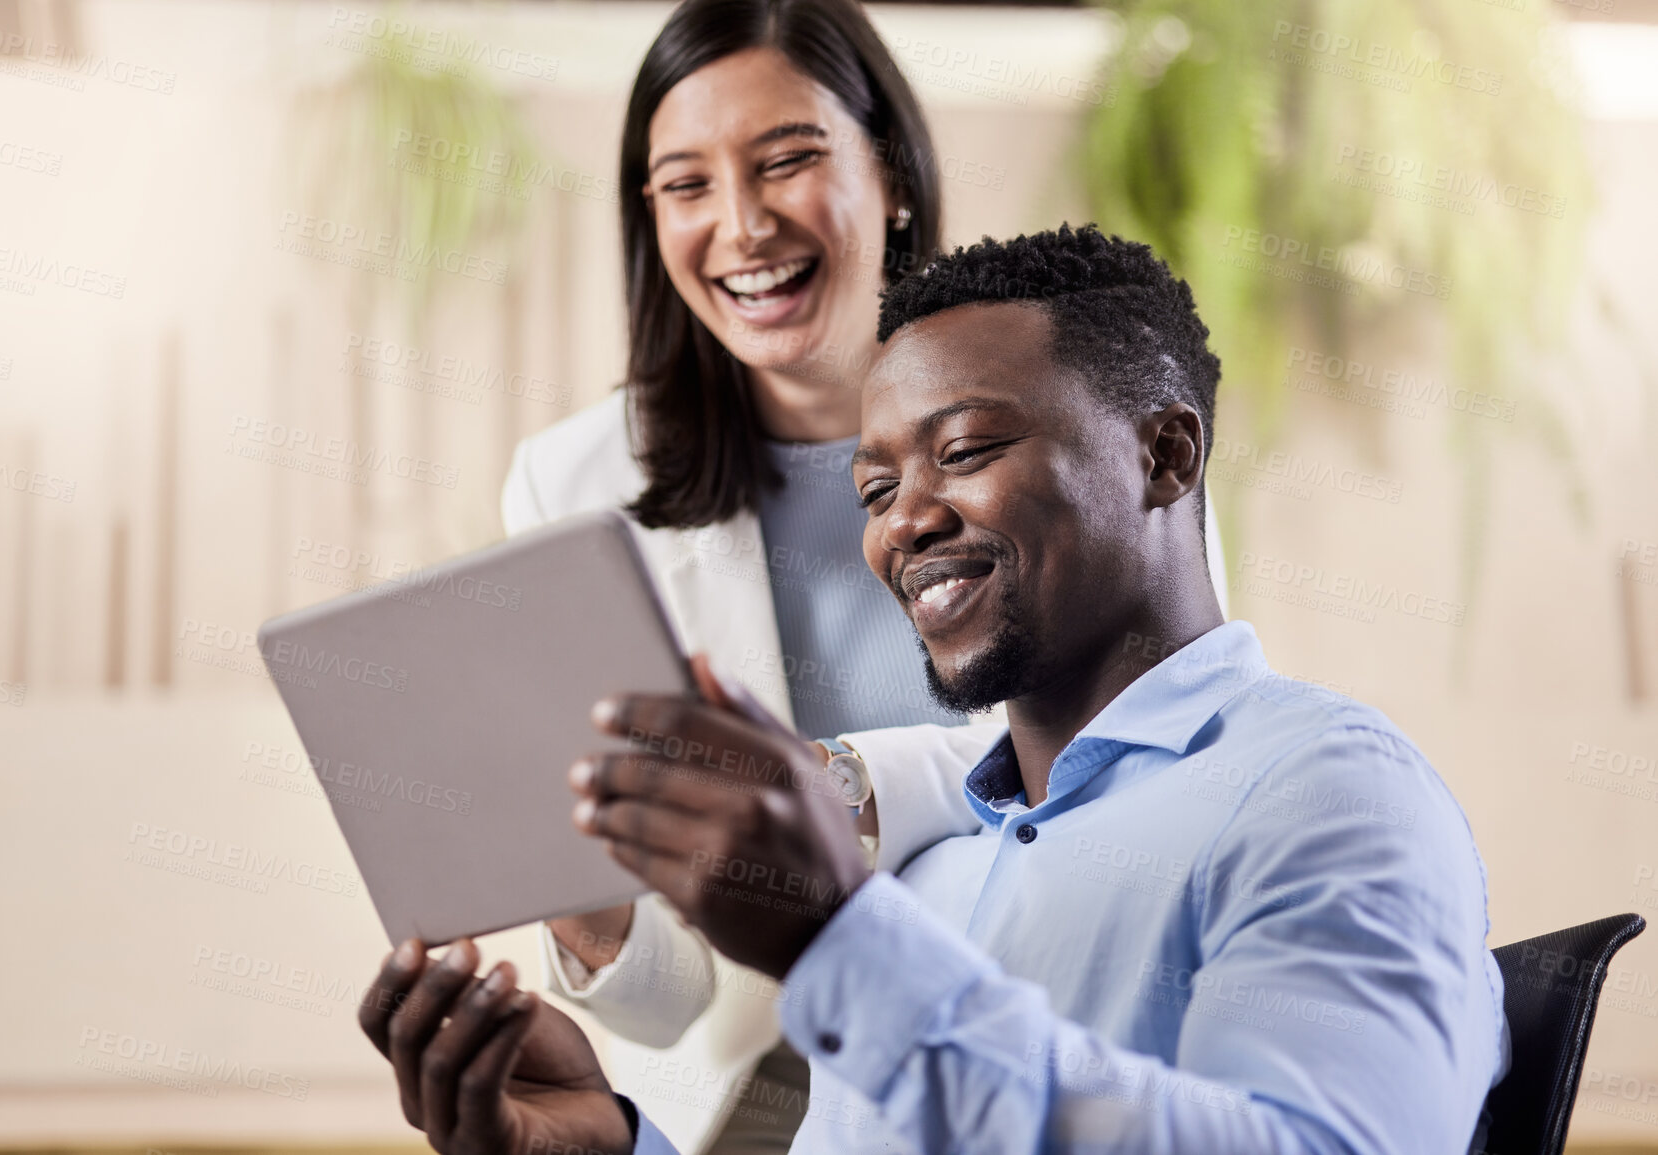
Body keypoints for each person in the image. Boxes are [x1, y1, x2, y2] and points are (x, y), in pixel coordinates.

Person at [361, 225, 1507, 1154]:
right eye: (874, 489)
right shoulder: (936, 871)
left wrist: (835, 944)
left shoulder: (1326, 795)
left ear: (1164, 455)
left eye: (962, 453)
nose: (903, 521)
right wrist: (610, 1145)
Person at [498, 0, 1226, 1148]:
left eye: (786, 162)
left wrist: (831, 786)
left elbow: (1157, 759)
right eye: (685, 185)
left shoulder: (1075, 411)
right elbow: (669, 1001)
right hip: (774, 1105)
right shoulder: (574, 485)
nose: (741, 227)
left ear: (888, 173)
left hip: (1057, 1045)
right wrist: (585, 897)